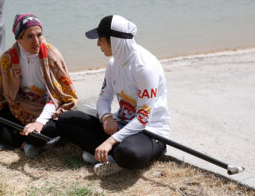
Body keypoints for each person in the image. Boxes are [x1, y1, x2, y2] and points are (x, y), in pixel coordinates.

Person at [58, 15, 171, 176]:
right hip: (121, 123)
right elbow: (104, 98)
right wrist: (106, 117)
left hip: (149, 131)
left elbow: (143, 119)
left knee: (130, 154)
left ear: (115, 40)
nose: (97, 44)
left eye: (101, 40)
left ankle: (112, 155)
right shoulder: (114, 62)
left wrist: (111, 140)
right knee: (66, 119)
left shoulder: (145, 68)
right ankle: (110, 155)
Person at [0, 13, 78, 159]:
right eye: (30, 36)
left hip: (46, 112)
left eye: (39, 35)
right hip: (17, 110)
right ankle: (22, 143)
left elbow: (57, 95)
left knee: (42, 134)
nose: (37, 41)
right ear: (19, 38)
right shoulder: (7, 57)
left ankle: (8, 138)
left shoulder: (51, 54)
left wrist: (39, 122)